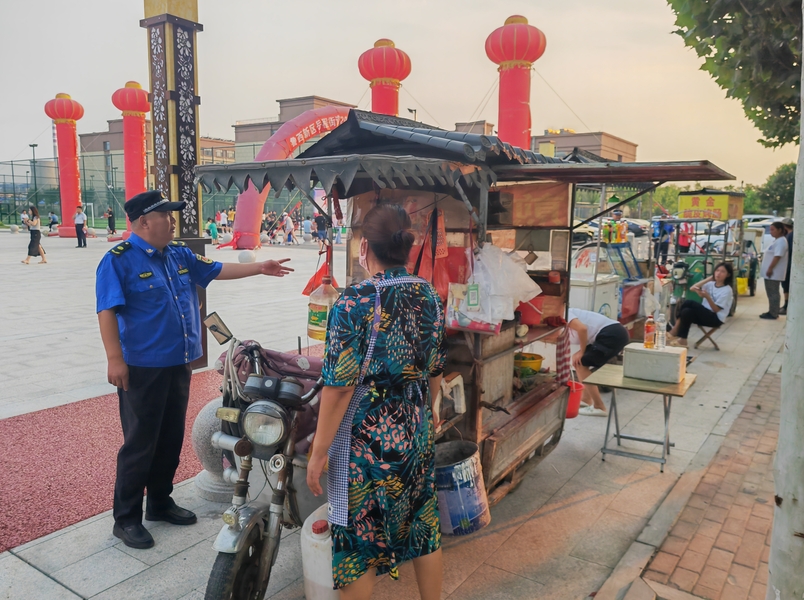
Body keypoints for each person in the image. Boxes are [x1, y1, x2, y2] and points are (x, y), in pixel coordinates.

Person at [95, 190, 293, 550]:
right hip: (142, 367)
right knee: (140, 443)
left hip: (178, 362)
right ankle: (125, 520)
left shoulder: (179, 254)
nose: (172, 222)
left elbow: (217, 269)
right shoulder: (118, 260)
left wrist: (259, 267)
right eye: (165, 216)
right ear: (143, 222)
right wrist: (114, 359)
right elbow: (106, 310)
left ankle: (159, 502)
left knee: (170, 437)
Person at [307, 204, 444, 599]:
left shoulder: (354, 301)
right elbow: (435, 367)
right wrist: (430, 411)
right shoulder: (429, 294)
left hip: (366, 442)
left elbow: (338, 388)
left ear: (364, 247)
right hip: (415, 429)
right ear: (406, 247)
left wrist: (318, 453)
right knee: (423, 522)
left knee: (358, 541)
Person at [567, 308, 630, 417]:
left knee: (581, 363)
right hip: (611, 333)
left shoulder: (564, 313)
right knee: (578, 362)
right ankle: (586, 399)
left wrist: (582, 351)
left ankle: (599, 407)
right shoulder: (563, 314)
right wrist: (581, 351)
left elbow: (582, 329)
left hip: (612, 334)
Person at [667, 262, 734, 346]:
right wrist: (708, 279)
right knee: (686, 311)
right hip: (704, 314)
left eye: (722, 271)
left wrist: (707, 297)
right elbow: (692, 288)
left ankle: (674, 330)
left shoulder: (727, 290)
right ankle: (683, 340)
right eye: (717, 270)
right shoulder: (710, 284)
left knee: (688, 302)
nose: (718, 273)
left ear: (728, 275)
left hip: (715, 318)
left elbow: (716, 309)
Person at [760, 221, 789, 320]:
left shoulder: (781, 241)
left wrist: (770, 268)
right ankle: (772, 310)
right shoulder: (777, 241)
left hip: (774, 273)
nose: (771, 232)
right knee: (771, 292)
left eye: (773, 230)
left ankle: (773, 313)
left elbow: (777, 256)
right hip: (771, 273)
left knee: (773, 292)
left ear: (780, 230)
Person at [780, 217, 794, 315]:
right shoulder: (789, 235)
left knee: (786, 286)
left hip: (788, 266)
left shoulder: (790, 236)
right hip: (788, 265)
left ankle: (787, 306)